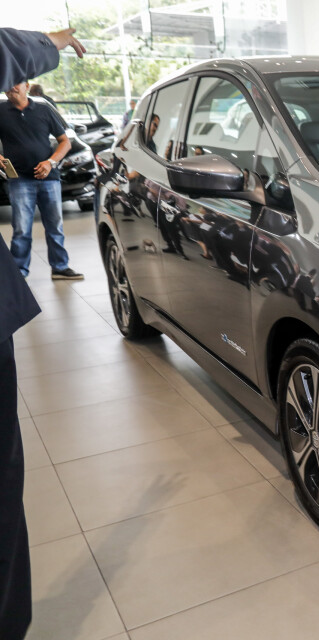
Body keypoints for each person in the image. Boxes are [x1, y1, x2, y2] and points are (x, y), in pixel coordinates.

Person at [0, 25, 86, 640]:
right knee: (23, 236)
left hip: (47, 175)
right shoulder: (1, 107)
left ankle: (57, 269)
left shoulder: (46, 106)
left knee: (52, 234)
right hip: (21, 183)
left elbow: (66, 135)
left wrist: (54, 158)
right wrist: (59, 37)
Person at [0, 81, 84, 280]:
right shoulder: (0, 111)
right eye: (7, 84)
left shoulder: (44, 109)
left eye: (16, 83)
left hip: (50, 178)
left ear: (27, 86)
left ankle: (60, 267)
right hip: (19, 179)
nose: (12, 87)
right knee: (21, 228)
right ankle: (19, 273)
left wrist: (50, 162)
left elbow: (65, 142)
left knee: (55, 226)